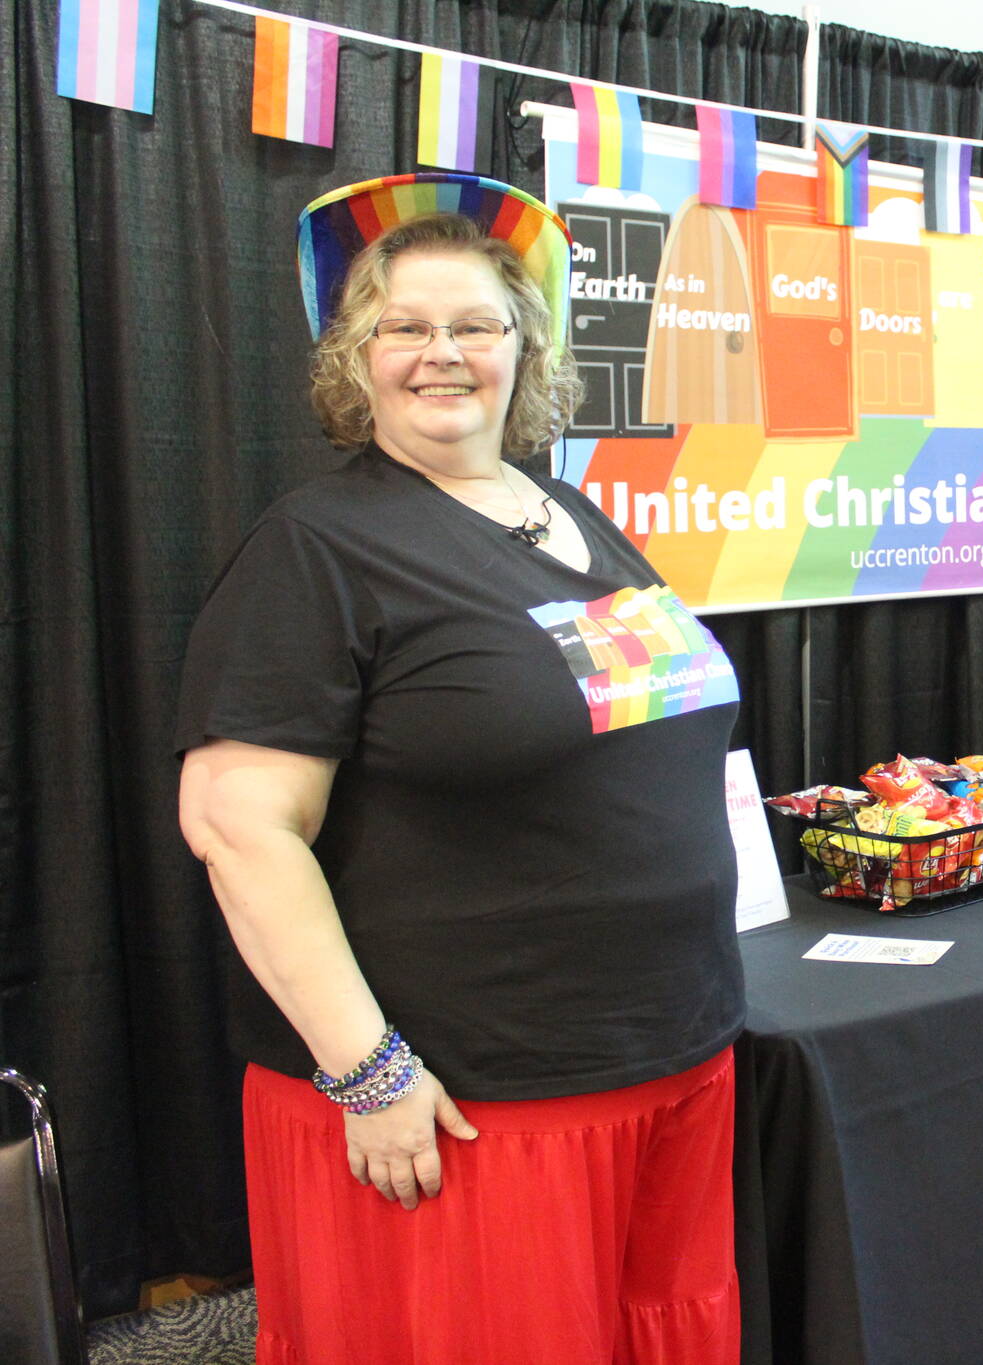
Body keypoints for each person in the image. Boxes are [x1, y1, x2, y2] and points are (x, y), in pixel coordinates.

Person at [175, 174, 745, 1363]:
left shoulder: (571, 515)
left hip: (663, 1060)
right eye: (407, 328)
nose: (443, 354)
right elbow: (238, 826)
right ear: (358, 357)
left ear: (523, 349)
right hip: (466, 1099)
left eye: (476, 325)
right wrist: (368, 1071)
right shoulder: (315, 546)